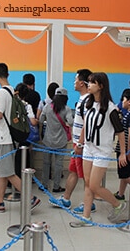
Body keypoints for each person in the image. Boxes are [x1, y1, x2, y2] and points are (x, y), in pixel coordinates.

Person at [70, 72, 128, 227]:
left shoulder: (111, 108)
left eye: (92, 82)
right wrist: (80, 145)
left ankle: (117, 205)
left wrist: (122, 152)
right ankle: (86, 217)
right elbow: (85, 126)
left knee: (95, 185)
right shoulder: (87, 104)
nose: (89, 85)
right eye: (88, 82)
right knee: (88, 183)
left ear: (101, 86)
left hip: (102, 150)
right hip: (88, 148)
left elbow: (120, 131)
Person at [0, 63, 41, 213]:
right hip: (11, 137)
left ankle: (30, 197)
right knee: (3, 171)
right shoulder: (11, 90)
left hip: (4, 137)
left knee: (8, 172)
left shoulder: (1, 93)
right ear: (7, 74)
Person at [49, 69, 97, 214]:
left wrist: (81, 144)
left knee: (86, 176)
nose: (74, 83)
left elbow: (87, 125)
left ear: (82, 83)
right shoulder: (83, 99)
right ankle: (66, 198)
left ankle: (89, 203)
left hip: (83, 145)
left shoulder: (89, 100)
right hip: (77, 144)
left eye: (76, 80)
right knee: (74, 171)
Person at [39, 87, 73, 192]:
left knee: (46, 163)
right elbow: (71, 122)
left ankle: (44, 184)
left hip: (48, 140)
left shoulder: (47, 107)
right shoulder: (66, 109)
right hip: (61, 141)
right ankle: (56, 186)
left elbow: (41, 119)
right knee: (58, 165)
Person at [14, 82, 39, 178]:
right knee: (25, 157)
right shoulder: (27, 106)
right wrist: (37, 121)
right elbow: (33, 122)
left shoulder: (12, 104)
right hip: (24, 135)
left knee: (16, 158)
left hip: (13, 134)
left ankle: (14, 180)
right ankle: (25, 179)